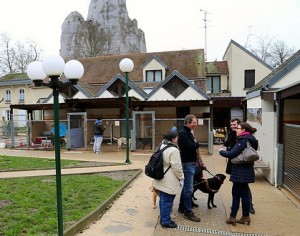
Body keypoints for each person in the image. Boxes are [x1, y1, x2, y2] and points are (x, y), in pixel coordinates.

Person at [219, 122, 258, 226]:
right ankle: (241, 216)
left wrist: (221, 151)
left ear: (244, 130)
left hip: (241, 172)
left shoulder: (243, 140)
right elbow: (237, 151)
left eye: (238, 128)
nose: (236, 130)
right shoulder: (250, 139)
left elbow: (232, 154)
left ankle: (238, 217)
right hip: (245, 170)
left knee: (238, 194)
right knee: (241, 193)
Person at [152, 131, 184, 229]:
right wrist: (181, 177)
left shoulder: (161, 145)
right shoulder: (174, 150)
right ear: (173, 139)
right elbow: (176, 167)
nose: (177, 139)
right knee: (167, 200)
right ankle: (166, 221)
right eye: (177, 138)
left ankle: (163, 218)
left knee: (163, 199)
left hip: (160, 175)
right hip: (169, 178)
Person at [224, 118, 255, 214]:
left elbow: (238, 150)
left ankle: (249, 205)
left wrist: (225, 151)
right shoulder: (231, 134)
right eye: (231, 125)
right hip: (234, 163)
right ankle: (236, 205)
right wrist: (227, 147)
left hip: (242, 164)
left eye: (235, 125)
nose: (233, 126)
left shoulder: (244, 138)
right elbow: (227, 144)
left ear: (239, 126)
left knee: (244, 186)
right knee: (236, 186)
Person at [177, 114, 201, 222]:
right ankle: (188, 212)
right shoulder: (183, 133)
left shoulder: (188, 132)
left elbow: (192, 145)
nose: (195, 124)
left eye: (195, 122)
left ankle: (182, 207)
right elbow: (190, 146)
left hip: (190, 162)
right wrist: (196, 144)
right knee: (188, 189)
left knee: (187, 187)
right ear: (187, 122)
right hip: (187, 163)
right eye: (194, 122)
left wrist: (195, 144)